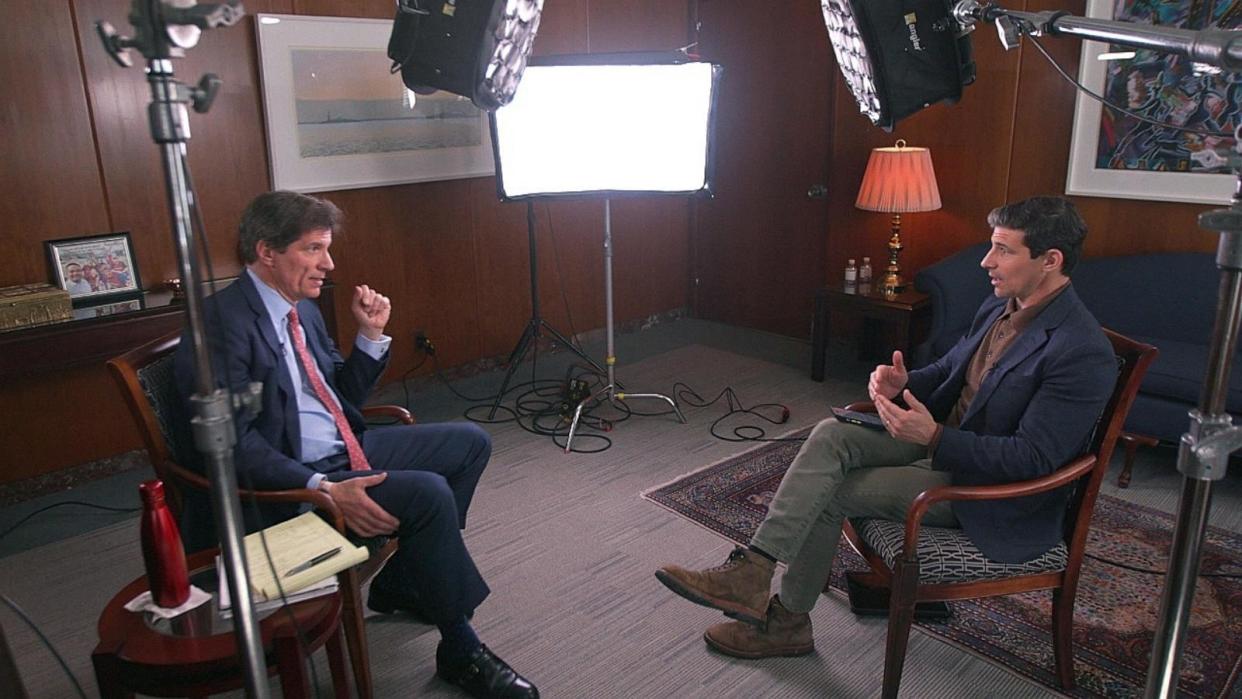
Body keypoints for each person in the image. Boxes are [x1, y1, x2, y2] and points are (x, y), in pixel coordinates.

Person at [655, 196, 1116, 659]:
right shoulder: (1004, 305)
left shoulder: (1080, 350)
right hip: (942, 443)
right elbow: (951, 368)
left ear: (1050, 260)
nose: (986, 261)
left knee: (833, 491)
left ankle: (788, 623)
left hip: (989, 489)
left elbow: (1033, 460)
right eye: (990, 246)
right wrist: (904, 382)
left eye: (1004, 250)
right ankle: (753, 571)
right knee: (830, 435)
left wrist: (934, 437)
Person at [173, 190, 538, 699]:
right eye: (314, 249)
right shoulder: (220, 325)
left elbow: (340, 396)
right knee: (428, 494)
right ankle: (460, 645)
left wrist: (369, 337)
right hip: (287, 482)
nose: (330, 263)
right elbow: (229, 449)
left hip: (343, 446)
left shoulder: (303, 308)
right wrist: (323, 487)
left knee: (470, 443)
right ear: (266, 251)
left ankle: (407, 578)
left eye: (327, 248)